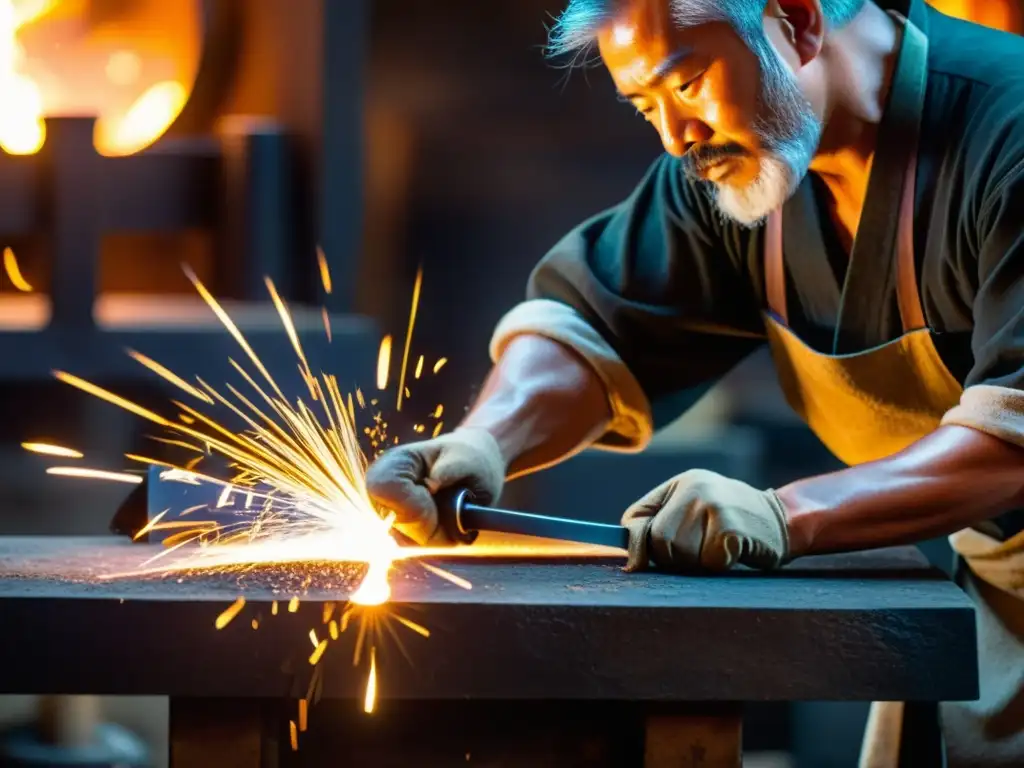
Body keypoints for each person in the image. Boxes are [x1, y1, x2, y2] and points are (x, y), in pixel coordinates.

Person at [364, 0, 1024, 764]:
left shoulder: (1006, 135)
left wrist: (784, 516)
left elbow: (1013, 441)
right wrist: (485, 440)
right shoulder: (750, 166)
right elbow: (596, 325)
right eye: (647, 106)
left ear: (799, 23)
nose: (677, 137)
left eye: (688, 84)